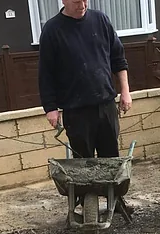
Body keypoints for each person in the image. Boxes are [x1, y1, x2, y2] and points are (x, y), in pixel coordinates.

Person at [38, 0, 132, 160]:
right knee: (83, 164)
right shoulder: (52, 30)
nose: (82, 5)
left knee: (111, 161)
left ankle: (110, 187)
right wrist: (50, 108)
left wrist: (125, 91)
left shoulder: (101, 20)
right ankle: (88, 187)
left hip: (106, 105)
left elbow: (118, 58)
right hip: (76, 111)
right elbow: (46, 73)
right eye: (76, 1)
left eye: (85, 0)